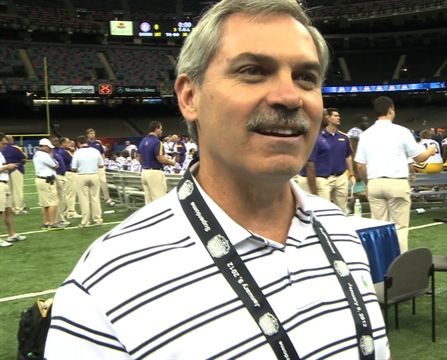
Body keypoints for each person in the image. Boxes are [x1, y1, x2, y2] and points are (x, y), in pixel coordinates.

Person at [46, 1, 390, 358]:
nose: (289, 97)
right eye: (253, 70)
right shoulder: (107, 281)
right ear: (190, 97)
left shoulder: (342, 231)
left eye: (306, 77)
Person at [355, 96, 436, 253]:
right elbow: (419, 157)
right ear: (391, 109)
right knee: (399, 227)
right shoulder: (402, 131)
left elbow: (360, 166)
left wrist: (368, 183)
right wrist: (430, 151)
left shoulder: (365, 135)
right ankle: (400, 267)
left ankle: (381, 266)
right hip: (396, 183)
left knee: (379, 228)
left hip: (375, 183)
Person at [138, 121, 177, 204]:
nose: (161, 131)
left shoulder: (143, 141)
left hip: (144, 171)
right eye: (161, 129)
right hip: (155, 172)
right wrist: (172, 163)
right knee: (159, 200)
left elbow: (139, 158)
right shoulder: (157, 142)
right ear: (157, 129)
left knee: (148, 202)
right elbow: (161, 159)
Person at [71, 135, 104, 228]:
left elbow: (73, 168)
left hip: (82, 175)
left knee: (84, 199)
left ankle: (85, 221)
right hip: (94, 175)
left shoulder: (77, 153)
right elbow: (101, 165)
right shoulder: (95, 151)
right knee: (95, 198)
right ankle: (98, 219)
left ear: (78, 143)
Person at [0, 133, 26, 247]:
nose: (5, 145)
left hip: (4, 183)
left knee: (8, 210)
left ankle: (11, 234)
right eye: (3, 143)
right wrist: (6, 167)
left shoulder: (1, 153)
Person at [33, 138, 64, 230]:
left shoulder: (37, 154)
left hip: (41, 179)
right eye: (49, 147)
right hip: (47, 180)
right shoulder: (44, 155)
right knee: (53, 202)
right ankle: (52, 223)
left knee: (44, 203)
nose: (50, 149)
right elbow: (56, 165)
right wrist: (51, 157)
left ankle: (46, 222)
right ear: (45, 146)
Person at [85, 128, 115, 206]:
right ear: (87, 135)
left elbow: (102, 153)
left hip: (100, 166)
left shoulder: (98, 143)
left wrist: (103, 162)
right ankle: (95, 198)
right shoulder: (86, 143)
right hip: (91, 166)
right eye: (91, 133)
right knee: (93, 183)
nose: (93, 135)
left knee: (103, 182)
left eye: (93, 133)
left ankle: (107, 198)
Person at [1, 135, 27, 214]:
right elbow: (24, 157)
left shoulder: (2, 150)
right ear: (12, 140)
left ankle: (10, 208)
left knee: (9, 190)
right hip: (16, 169)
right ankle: (19, 208)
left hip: (5, 171)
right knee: (17, 190)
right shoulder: (15, 148)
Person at [58, 137, 81, 219]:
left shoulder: (61, 151)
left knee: (66, 193)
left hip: (66, 173)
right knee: (71, 193)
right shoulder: (64, 152)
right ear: (63, 143)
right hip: (70, 173)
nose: (70, 144)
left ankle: (66, 211)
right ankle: (71, 212)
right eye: (68, 142)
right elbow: (74, 159)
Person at [49, 137, 70, 227]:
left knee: (62, 199)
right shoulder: (51, 153)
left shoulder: (57, 151)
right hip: (57, 176)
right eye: (54, 141)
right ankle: (59, 219)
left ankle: (60, 218)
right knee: (59, 199)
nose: (57, 142)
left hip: (62, 175)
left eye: (57, 141)